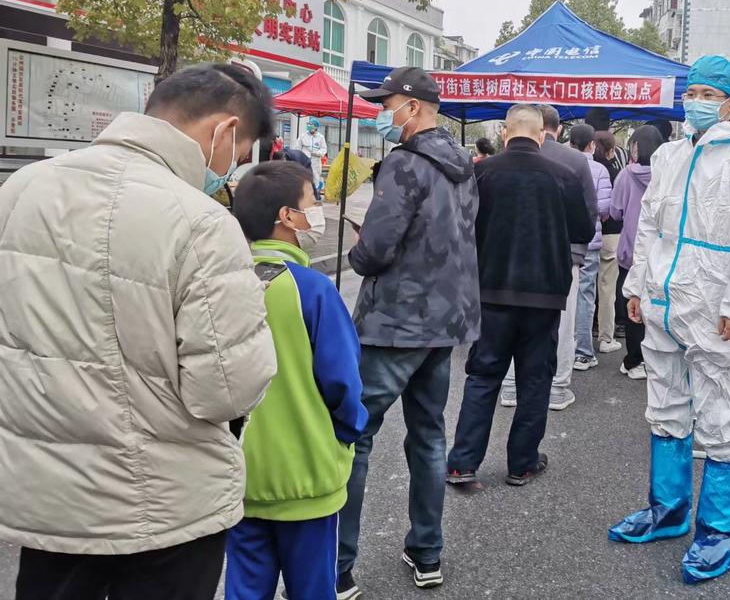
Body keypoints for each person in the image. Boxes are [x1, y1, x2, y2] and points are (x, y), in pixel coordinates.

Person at [0, 64, 278, 600]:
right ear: (223, 132)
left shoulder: (20, 190)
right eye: (238, 154)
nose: (230, 171)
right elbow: (225, 390)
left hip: (47, 497)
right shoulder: (200, 222)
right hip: (162, 504)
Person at [609, 55, 730, 585]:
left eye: (710, 94)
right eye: (694, 91)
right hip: (662, 299)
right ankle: (668, 510)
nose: (697, 102)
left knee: (724, 417)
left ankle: (720, 531)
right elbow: (651, 228)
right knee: (665, 406)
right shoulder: (670, 156)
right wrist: (636, 286)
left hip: (714, 305)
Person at [338, 66, 480, 595]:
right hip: (444, 322)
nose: (382, 112)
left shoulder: (403, 164)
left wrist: (358, 247)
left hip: (395, 322)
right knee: (428, 436)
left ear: (414, 107)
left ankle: (337, 565)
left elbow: (375, 251)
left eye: (388, 103)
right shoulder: (464, 165)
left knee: (354, 437)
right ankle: (427, 552)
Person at [227, 162, 366, 600]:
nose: (319, 208)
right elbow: (343, 384)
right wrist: (345, 436)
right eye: (312, 199)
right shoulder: (312, 290)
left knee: (245, 585)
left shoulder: (220, 284)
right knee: (312, 589)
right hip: (306, 476)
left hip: (238, 474)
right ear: (287, 216)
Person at [446, 105, 594, 488]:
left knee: (483, 376)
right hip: (544, 294)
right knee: (534, 380)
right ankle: (522, 463)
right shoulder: (563, 175)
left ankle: (463, 463)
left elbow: (461, 227)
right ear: (543, 135)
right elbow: (582, 228)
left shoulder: (481, 172)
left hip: (492, 291)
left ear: (503, 133)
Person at [501, 105, 596, 411]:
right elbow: (588, 213)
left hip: (510, 256)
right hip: (563, 256)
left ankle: (510, 386)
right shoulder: (575, 160)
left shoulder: (498, 162)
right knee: (562, 324)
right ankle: (556, 388)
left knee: (508, 322)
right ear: (559, 128)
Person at [608, 125, 665, 380]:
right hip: (663, 253)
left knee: (633, 304)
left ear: (634, 147)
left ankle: (634, 360)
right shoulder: (670, 175)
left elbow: (615, 212)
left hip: (631, 250)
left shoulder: (625, 176)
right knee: (660, 304)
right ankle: (657, 357)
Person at [569, 123, 613, 371]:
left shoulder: (560, 163)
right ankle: (583, 352)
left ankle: (561, 348)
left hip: (562, 239)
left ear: (571, 142)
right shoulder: (598, 169)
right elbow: (605, 208)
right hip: (590, 240)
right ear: (591, 144)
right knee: (586, 295)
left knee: (563, 294)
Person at [593, 131, 624, 355]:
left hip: (583, 233)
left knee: (582, 289)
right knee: (607, 289)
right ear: (612, 151)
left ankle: (578, 337)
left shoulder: (579, 168)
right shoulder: (617, 174)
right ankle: (605, 338)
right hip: (612, 234)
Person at [296, 117, 329, 198]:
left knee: (315, 178)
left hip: (315, 162)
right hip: (304, 161)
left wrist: (316, 153)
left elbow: (324, 149)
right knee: (303, 177)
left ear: (316, 127)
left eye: (311, 125)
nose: (309, 126)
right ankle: (303, 196)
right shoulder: (303, 136)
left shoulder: (320, 137)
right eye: (309, 124)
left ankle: (315, 195)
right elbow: (297, 148)